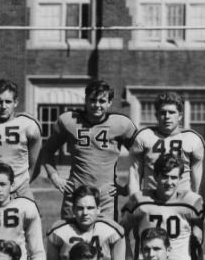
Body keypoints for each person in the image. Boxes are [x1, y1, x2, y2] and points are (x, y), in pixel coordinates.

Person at [41, 79, 136, 219]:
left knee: (106, 237)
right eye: (92, 100)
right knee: (71, 237)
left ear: (109, 103)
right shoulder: (69, 121)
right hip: (76, 191)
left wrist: (128, 186)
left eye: (102, 101)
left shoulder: (121, 124)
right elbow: (47, 150)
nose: (96, 105)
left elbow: (141, 155)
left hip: (106, 195)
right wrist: (54, 177)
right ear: (85, 100)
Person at [121, 154, 204, 260]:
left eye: (174, 177)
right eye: (165, 176)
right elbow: (120, 231)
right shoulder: (139, 200)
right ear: (156, 176)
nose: (169, 182)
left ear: (180, 178)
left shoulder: (192, 202)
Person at [127, 92, 205, 201]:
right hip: (151, 202)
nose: (167, 116)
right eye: (163, 112)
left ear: (180, 116)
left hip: (182, 203)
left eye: (172, 112)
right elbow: (135, 176)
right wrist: (134, 203)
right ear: (156, 115)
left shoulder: (193, 139)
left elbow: (198, 182)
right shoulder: (143, 137)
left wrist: (199, 206)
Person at [45, 186, 125, 260]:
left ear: (98, 210)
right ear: (73, 210)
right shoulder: (58, 232)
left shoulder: (112, 232)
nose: (85, 213)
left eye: (90, 208)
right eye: (80, 208)